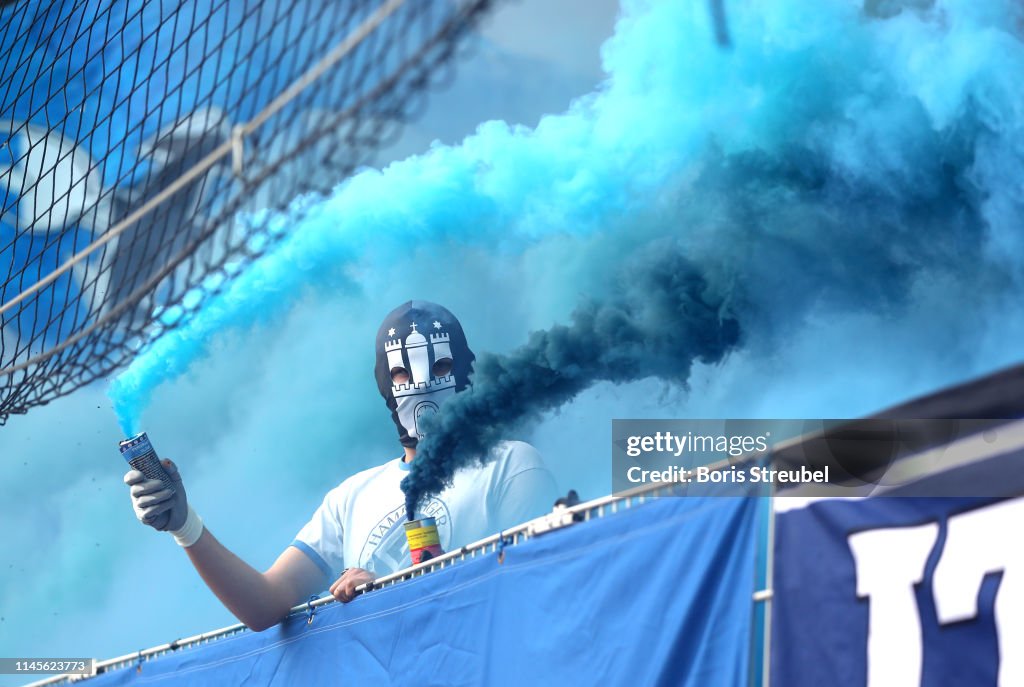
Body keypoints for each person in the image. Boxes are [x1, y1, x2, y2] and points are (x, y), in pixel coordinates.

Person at [124, 300, 559, 632]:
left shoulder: (512, 464)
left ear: (466, 372)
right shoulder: (352, 497)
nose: (422, 383)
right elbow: (264, 604)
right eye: (403, 374)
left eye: (441, 364)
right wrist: (185, 525)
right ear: (384, 385)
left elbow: (532, 592)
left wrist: (392, 590)